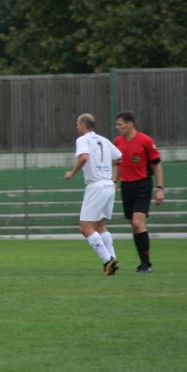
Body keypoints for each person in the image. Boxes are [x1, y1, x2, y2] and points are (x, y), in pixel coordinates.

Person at [64, 113, 122, 276]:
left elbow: (84, 157)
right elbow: (119, 158)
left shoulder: (83, 140)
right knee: (100, 226)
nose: (77, 128)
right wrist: (115, 180)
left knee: (85, 227)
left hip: (96, 186)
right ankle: (113, 260)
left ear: (82, 126)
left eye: (77, 124)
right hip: (109, 185)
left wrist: (72, 173)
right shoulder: (104, 140)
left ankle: (107, 260)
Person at [113, 111, 165, 273]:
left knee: (137, 222)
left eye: (120, 124)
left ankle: (147, 264)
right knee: (134, 226)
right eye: (117, 125)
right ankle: (143, 264)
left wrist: (160, 189)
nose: (117, 128)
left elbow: (156, 165)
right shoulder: (117, 142)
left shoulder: (145, 141)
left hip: (143, 184)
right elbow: (117, 164)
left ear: (130, 124)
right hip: (127, 186)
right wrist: (114, 182)